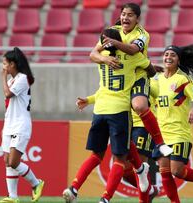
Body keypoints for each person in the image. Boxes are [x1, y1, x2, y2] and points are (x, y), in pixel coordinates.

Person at [63, 28, 153, 203]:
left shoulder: (100, 56)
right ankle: (105, 198)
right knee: (119, 158)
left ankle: (73, 189)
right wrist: (144, 71)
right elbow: (151, 70)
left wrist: (89, 99)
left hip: (99, 110)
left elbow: (92, 54)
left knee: (96, 155)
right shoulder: (133, 56)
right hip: (119, 111)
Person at [90, 2, 173, 158]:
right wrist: (104, 59)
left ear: (137, 19)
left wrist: (114, 42)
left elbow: (134, 50)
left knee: (139, 106)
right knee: (120, 152)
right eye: (123, 14)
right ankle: (141, 172)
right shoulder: (112, 31)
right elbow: (93, 54)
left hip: (138, 77)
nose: (125, 18)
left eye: (130, 15)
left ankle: (160, 143)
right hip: (121, 80)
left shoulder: (142, 34)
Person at [151, 44, 193, 203]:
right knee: (164, 172)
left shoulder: (183, 80)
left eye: (173, 55)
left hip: (179, 133)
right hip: (161, 133)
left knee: (177, 171)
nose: (168, 57)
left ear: (178, 60)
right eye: (166, 54)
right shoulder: (156, 79)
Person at [0, 47, 44, 203]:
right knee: (7, 161)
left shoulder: (23, 78)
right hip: (9, 124)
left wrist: (2, 77)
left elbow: (7, 94)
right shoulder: (12, 80)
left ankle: (36, 183)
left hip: (20, 125)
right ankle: (12, 197)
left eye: (5, 64)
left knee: (13, 162)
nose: (3, 67)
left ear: (13, 64)